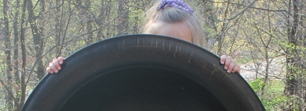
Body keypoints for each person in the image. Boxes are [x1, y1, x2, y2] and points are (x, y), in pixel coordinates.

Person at [46, 0, 240, 74]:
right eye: (164, 45)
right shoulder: (129, 78)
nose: (172, 54)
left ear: (196, 47)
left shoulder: (208, 83)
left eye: (182, 47)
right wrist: (62, 73)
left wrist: (231, 76)